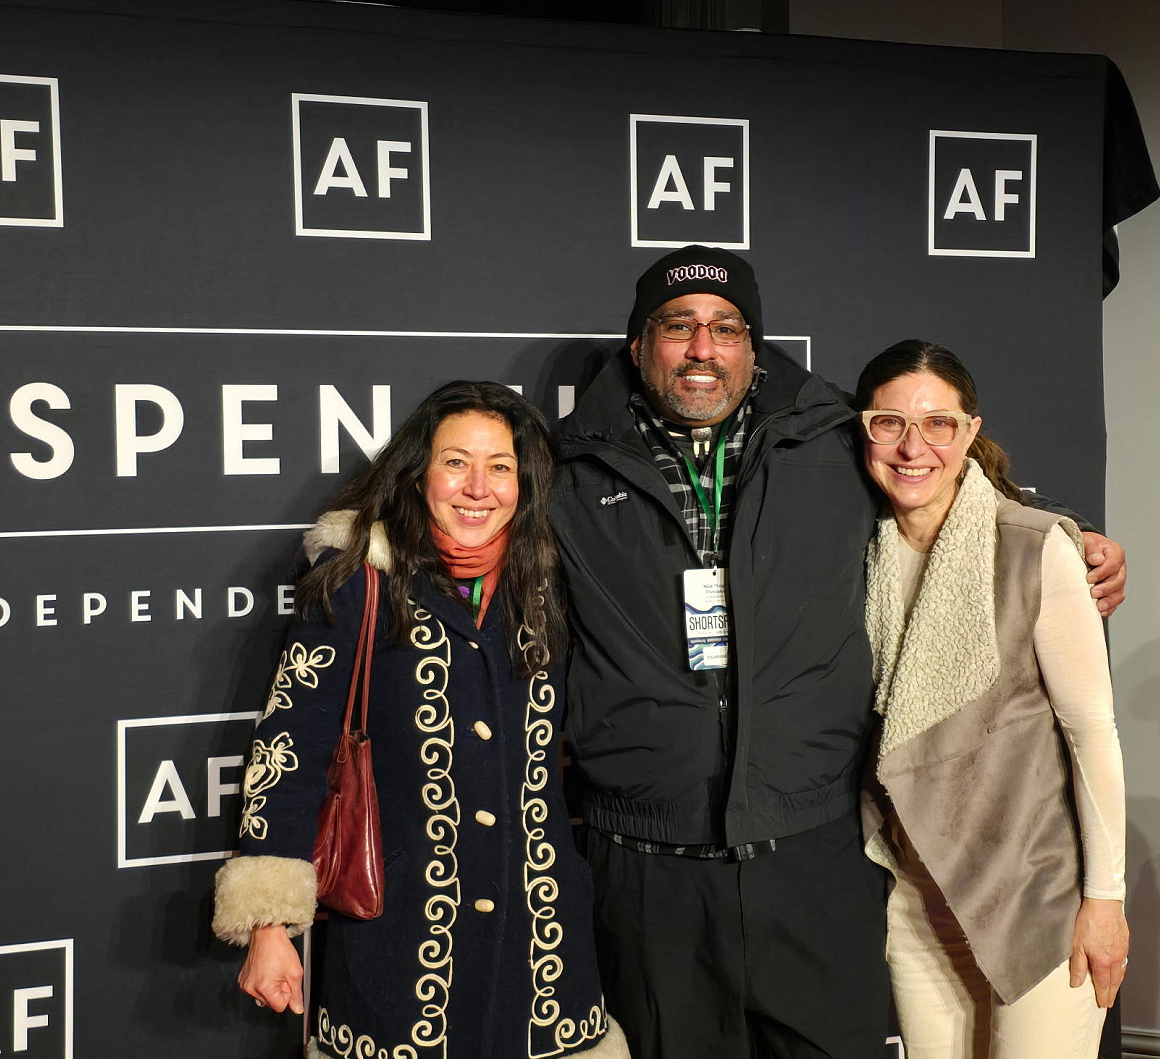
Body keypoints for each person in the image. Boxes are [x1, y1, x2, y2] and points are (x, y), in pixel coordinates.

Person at [548, 245, 1127, 1059]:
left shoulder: (825, 435)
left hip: (812, 858)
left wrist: (1065, 533)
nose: (702, 348)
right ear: (640, 344)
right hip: (650, 868)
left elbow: (940, 488)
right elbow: (459, 530)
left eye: (725, 327)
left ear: (755, 344)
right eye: (677, 326)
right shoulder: (562, 466)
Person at [212, 381, 628, 1059]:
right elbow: (290, 747)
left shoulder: (551, 585)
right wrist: (268, 925)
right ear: (418, 474)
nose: (478, 487)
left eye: (500, 467)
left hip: (542, 956)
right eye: (456, 462)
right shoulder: (357, 581)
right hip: (397, 948)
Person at [855, 340, 1128, 1059]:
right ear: (864, 431)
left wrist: (1106, 901)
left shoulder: (1035, 548)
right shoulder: (860, 553)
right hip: (919, 902)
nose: (913, 447)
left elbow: (1091, 732)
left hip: (1037, 902)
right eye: (889, 422)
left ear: (971, 432)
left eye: (938, 423)